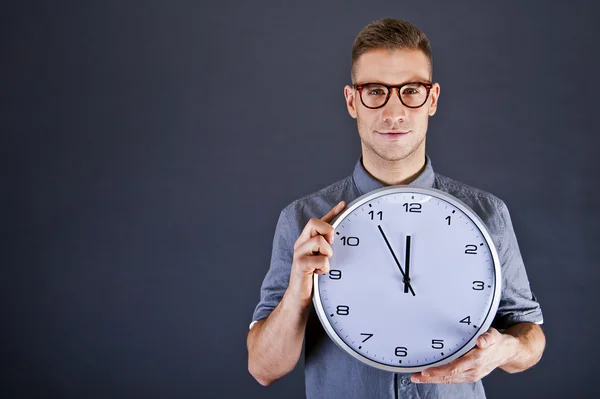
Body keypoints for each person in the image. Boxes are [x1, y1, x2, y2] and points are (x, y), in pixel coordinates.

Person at [246, 18, 545, 398]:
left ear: (432, 98)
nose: (393, 111)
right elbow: (263, 368)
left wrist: (507, 349)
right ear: (352, 101)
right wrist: (297, 294)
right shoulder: (303, 221)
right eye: (375, 91)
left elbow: (528, 333)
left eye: (410, 90)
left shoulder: (487, 215)